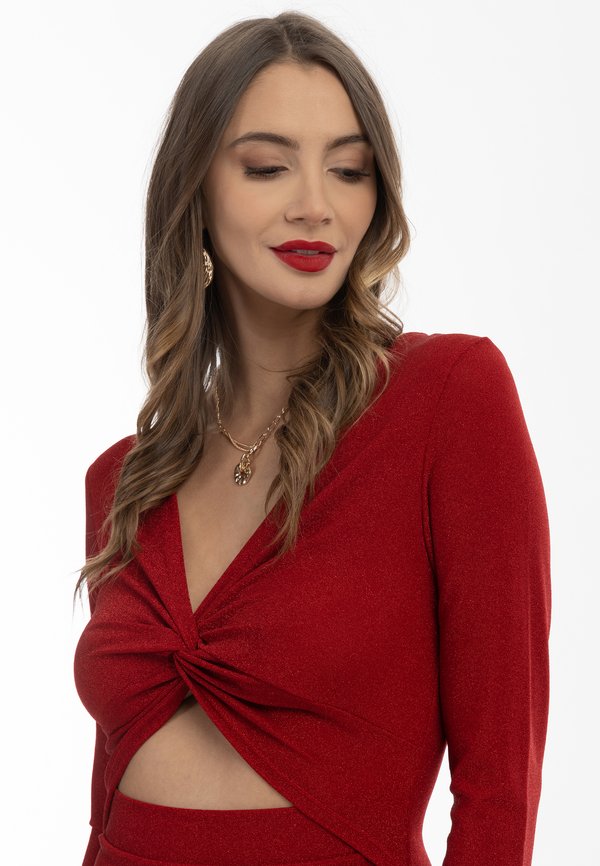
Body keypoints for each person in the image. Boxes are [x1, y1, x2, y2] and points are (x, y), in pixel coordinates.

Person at [73, 11, 551, 866]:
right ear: (195, 191)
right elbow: (110, 789)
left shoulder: (448, 399)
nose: (315, 206)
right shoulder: (125, 480)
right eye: (267, 166)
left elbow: (500, 784)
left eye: (349, 170)